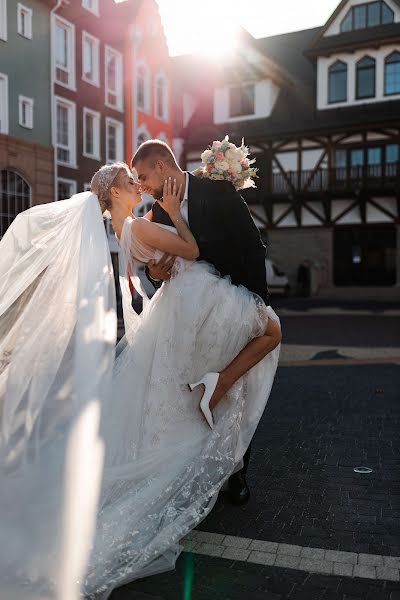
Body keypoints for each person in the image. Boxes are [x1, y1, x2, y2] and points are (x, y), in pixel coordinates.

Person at [0, 158, 280, 599]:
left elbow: (159, 261)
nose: (139, 185)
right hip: (196, 299)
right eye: (132, 182)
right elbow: (187, 251)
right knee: (261, 339)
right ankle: (216, 406)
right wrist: (173, 232)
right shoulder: (138, 224)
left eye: (138, 177)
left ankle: (218, 408)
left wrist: (161, 257)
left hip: (189, 303)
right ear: (114, 194)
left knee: (167, 395)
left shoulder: (131, 225)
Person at [133, 139, 270, 505]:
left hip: (233, 306)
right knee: (193, 392)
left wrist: (255, 304)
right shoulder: (159, 212)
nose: (142, 186)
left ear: (163, 165)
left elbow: (252, 246)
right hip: (190, 316)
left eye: (144, 176)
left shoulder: (218, 192)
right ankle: (197, 468)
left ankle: (238, 472)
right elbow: (162, 265)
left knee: (238, 388)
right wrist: (156, 273)